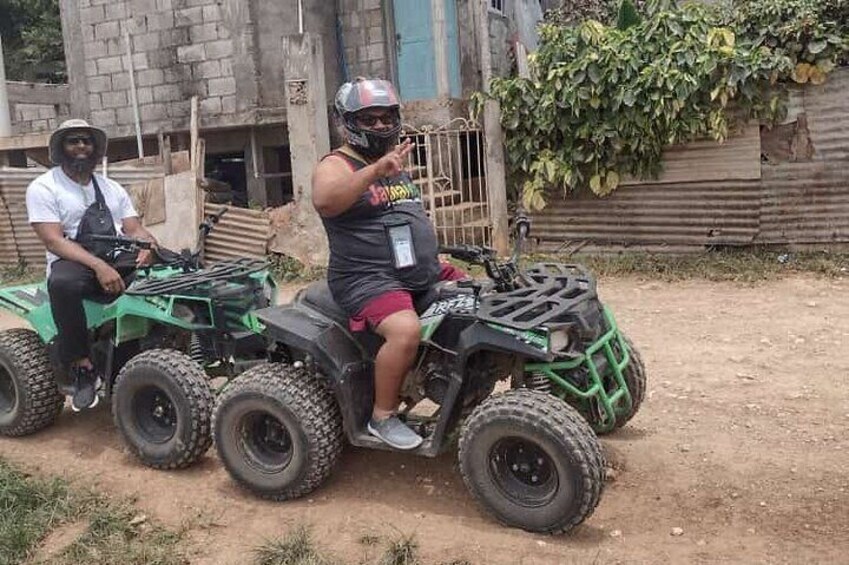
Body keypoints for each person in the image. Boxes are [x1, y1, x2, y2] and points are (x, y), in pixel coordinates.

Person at [311, 78, 465, 450]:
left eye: (386, 118)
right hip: (367, 278)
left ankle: (450, 381)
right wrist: (375, 171)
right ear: (348, 123)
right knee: (405, 331)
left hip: (412, 270)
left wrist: (431, 255)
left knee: (480, 299)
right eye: (369, 119)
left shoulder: (392, 162)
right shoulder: (337, 163)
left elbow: (402, 215)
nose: (380, 126)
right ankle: (382, 416)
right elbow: (326, 199)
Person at [26, 119, 158, 411]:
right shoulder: (44, 187)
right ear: (62, 149)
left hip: (113, 254)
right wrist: (99, 266)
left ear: (95, 148)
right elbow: (53, 240)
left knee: (167, 272)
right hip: (72, 259)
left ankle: (150, 350)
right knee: (63, 284)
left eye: (86, 141)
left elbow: (133, 228)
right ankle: (81, 366)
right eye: (74, 141)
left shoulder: (111, 188)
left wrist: (147, 246)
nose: (81, 146)